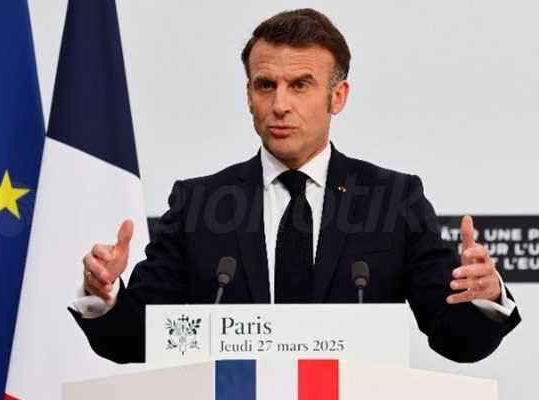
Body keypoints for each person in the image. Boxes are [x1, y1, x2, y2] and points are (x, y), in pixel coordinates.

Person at [69, 8, 520, 364]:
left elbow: (457, 339)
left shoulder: (393, 199)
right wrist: (106, 296)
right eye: (266, 85)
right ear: (249, 95)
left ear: (337, 96)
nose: (280, 104)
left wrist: (487, 297)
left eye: (300, 85)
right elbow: (137, 339)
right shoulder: (198, 204)